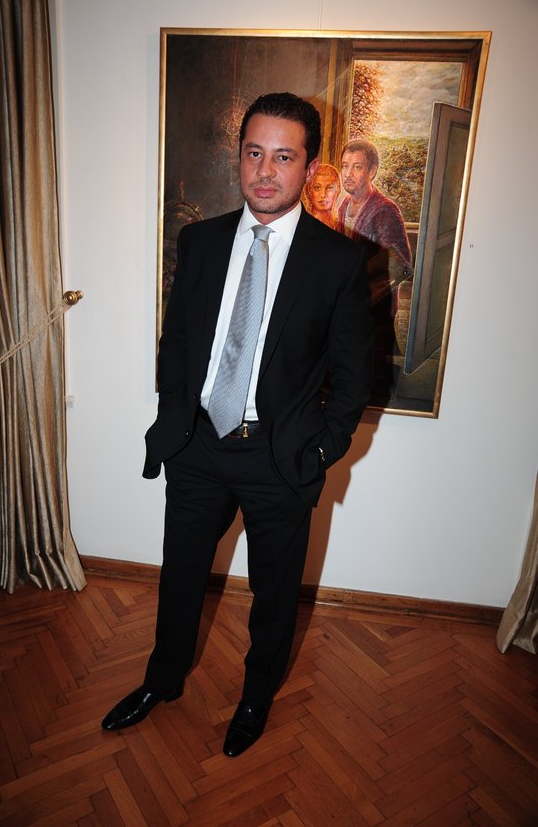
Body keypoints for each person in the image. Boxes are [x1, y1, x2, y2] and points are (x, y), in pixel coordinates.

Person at [102, 93, 373, 757]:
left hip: (279, 457)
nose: (265, 171)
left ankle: (254, 699)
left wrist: (321, 448)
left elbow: (355, 376)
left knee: (274, 595)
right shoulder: (199, 241)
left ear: (309, 167)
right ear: (240, 156)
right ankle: (162, 681)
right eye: (254, 153)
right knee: (179, 578)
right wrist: (174, 414)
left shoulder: (337, 262)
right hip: (197, 445)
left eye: (283, 157)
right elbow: (176, 341)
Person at [338, 139, 412, 305]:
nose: (348, 174)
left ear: (371, 171)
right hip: (347, 302)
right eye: (345, 166)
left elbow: (400, 262)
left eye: (357, 167)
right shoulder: (344, 206)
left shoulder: (385, 210)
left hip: (373, 306)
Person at [303, 162, 341, 229]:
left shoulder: (343, 227)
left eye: (330, 188)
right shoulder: (302, 223)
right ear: (308, 191)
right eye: (317, 188)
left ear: (337, 191)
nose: (323, 195)